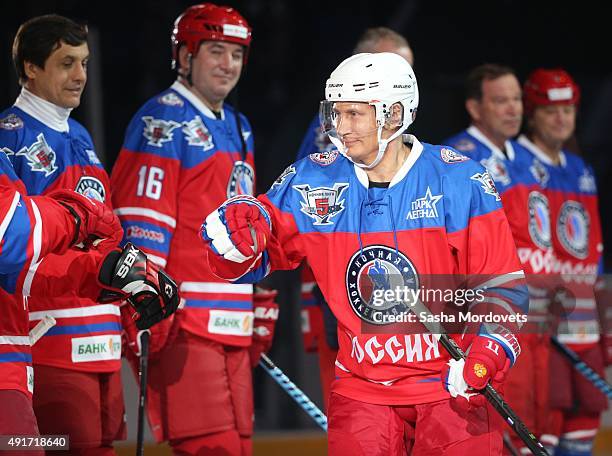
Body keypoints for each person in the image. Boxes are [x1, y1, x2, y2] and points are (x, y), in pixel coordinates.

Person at [202, 52, 528, 455]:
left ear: (394, 114)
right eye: (336, 113)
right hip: (362, 391)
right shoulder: (313, 178)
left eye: (355, 114)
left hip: (450, 385)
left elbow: (503, 286)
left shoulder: (460, 179)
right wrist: (235, 236)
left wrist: (485, 355)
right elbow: (254, 254)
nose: (342, 127)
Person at [0, 14, 178, 453]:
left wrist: (135, 287)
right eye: (66, 63)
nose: (80, 75)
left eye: (84, 63)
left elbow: (108, 236)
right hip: (51, 346)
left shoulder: (79, 135)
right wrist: (105, 273)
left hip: (100, 346)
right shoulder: (9, 138)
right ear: (30, 68)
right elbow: (18, 253)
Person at [110, 4, 277, 455]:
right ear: (184, 55)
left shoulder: (239, 127)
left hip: (233, 322)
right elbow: (141, 223)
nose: (228, 65)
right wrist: (141, 299)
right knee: (210, 448)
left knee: (240, 445)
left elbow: (245, 224)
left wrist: (258, 292)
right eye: (216, 51)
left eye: (237, 55)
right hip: (184, 322)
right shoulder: (161, 119)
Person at [0, 147, 179, 447]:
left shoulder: (79, 140)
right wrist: (77, 214)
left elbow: (16, 268)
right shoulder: (14, 135)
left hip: (13, 367)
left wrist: (102, 272)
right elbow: (8, 234)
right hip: (40, 361)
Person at [296, 27, 415, 410]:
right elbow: (309, 222)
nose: (405, 86)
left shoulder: (401, 138)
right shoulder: (335, 140)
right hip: (343, 297)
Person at [444, 64, 557, 453]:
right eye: (500, 101)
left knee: (541, 425)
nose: (513, 109)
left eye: (516, 100)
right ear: (475, 108)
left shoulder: (529, 159)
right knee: (500, 426)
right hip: (491, 314)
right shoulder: (456, 159)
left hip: (537, 315)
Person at [518, 68, 606, 456]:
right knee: (542, 436)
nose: (561, 118)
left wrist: (604, 326)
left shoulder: (581, 170)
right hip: (543, 331)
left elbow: (594, 255)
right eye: (551, 110)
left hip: (584, 329)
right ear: (532, 113)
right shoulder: (514, 163)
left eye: (568, 110)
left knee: (583, 433)